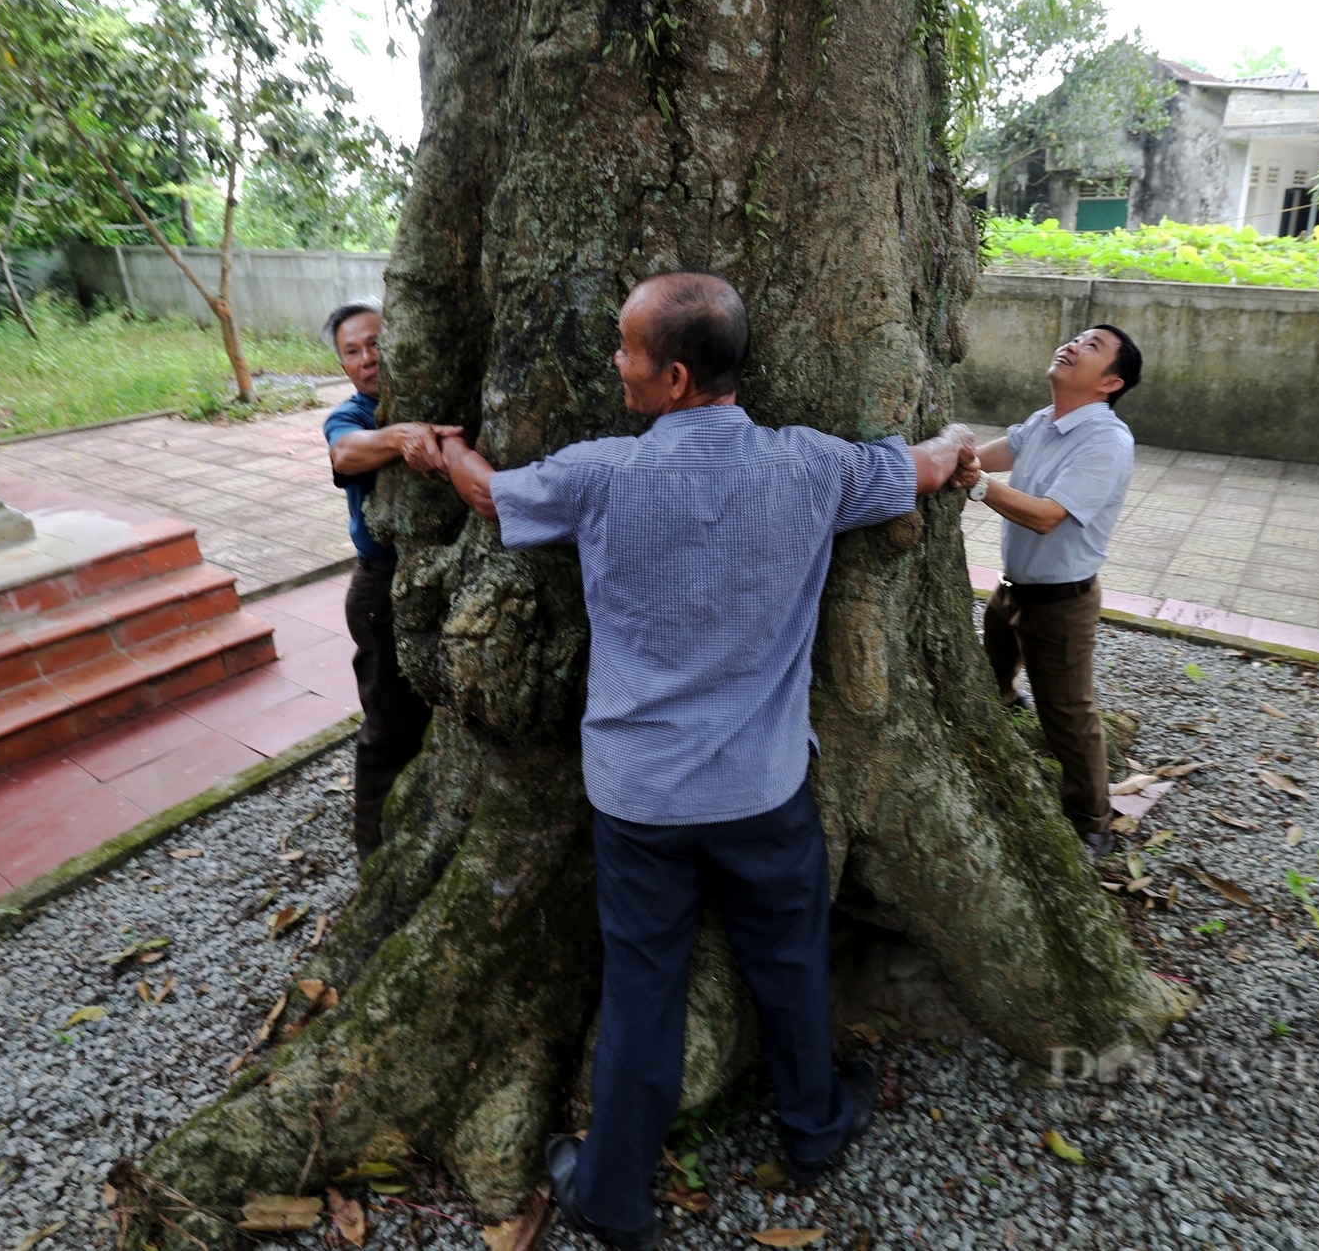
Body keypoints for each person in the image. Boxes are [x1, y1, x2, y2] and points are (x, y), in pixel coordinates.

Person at [430, 271, 975, 1250]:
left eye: (627, 350)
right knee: (790, 956)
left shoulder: (597, 474)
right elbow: (924, 468)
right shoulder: (812, 469)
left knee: (644, 983)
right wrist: (949, 444)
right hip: (762, 786)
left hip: (639, 796)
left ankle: (612, 1191)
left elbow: (485, 497)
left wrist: (443, 448)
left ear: (673, 376)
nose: (614, 363)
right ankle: (812, 1128)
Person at [956, 324, 1142, 858]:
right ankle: (1010, 704)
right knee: (988, 672)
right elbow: (994, 453)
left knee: (1069, 716)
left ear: (1109, 382)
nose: (1073, 345)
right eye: (1076, 338)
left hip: (1062, 602)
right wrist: (958, 451)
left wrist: (976, 484)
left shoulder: (1106, 442)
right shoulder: (1045, 421)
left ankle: (1093, 821)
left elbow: (1047, 518)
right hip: (1012, 589)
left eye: (1092, 347)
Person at [320, 298, 441, 866]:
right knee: (389, 725)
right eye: (353, 351)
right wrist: (402, 438)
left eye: (376, 343)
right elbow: (344, 454)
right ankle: (373, 852)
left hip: (436, 580)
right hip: (380, 589)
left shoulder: (434, 392)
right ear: (343, 364)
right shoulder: (353, 417)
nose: (368, 358)